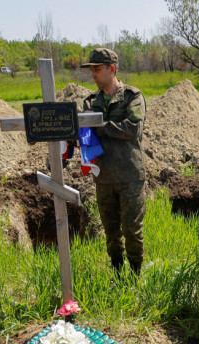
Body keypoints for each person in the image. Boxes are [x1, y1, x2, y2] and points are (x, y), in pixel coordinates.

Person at [81, 48, 147, 276]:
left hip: (130, 176)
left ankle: (137, 275)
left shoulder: (132, 96)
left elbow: (132, 130)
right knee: (110, 231)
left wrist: (99, 126)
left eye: (97, 70)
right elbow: (85, 135)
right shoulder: (90, 102)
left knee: (131, 229)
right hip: (104, 176)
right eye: (91, 70)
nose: (93, 75)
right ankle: (117, 273)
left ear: (112, 69)